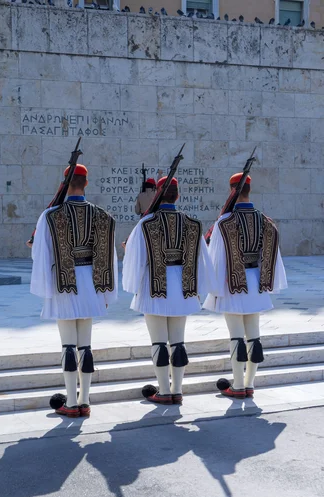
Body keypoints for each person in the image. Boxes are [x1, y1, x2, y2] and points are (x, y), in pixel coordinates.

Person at [30, 164, 118, 418]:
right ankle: (85, 400)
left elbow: (41, 253)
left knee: (68, 345)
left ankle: (70, 402)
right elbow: (109, 257)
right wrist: (105, 293)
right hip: (91, 284)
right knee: (86, 346)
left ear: (65, 184)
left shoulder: (51, 215)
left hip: (63, 284)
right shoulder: (103, 216)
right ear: (86, 183)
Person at [122, 176, 217, 405]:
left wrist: (131, 285)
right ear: (178, 196)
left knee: (159, 343)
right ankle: (177, 390)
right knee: (178, 342)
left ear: (157, 196)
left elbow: (136, 258)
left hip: (154, 287)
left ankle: (164, 391)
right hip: (183, 288)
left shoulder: (146, 223)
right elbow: (202, 259)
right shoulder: (192, 224)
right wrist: (200, 289)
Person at [203, 173, 287, 400]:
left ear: (232, 190)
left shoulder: (225, 221)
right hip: (256, 283)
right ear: (250, 190)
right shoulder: (266, 220)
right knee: (254, 337)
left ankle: (238, 386)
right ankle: (249, 385)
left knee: (236, 338)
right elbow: (272, 257)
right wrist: (267, 283)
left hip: (232, 284)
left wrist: (215, 288)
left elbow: (216, 258)